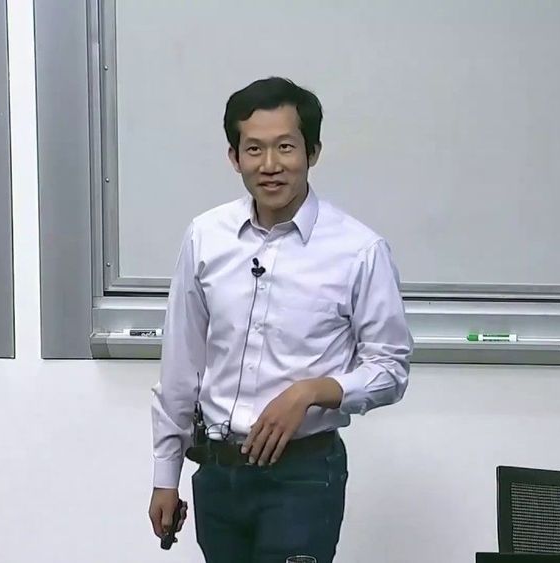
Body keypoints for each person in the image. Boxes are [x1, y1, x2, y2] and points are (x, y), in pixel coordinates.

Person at [147, 76, 413, 563]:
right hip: (219, 471)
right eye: (254, 149)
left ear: (312, 153)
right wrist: (166, 476)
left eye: (286, 147)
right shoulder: (206, 236)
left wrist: (312, 391)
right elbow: (181, 364)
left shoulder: (359, 250)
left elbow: (390, 369)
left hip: (303, 477)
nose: (270, 165)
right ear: (235, 158)